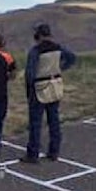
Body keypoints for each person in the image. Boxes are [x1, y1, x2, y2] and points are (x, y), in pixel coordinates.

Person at [22, 23, 77, 163]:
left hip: (40, 87)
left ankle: (32, 154)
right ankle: (54, 152)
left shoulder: (35, 51)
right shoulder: (58, 48)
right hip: (55, 85)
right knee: (54, 120)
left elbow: (29, 74)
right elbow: (72, 58)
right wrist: (60, 69)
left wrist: (29, 91)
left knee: (36, 123)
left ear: (38, 35)